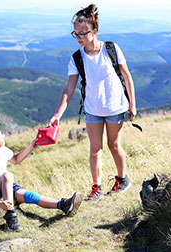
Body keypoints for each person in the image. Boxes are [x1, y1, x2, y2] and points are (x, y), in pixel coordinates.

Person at [49, 4, 137, 201]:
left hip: (115, 107)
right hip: (92, 110)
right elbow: (68, 89)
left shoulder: (111, 49)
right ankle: (96, 188)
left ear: (95, 30)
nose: (79, 37)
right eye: (76, 34)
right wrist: (57, 115)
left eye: (83, 33)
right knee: (94, 149)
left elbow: (127, 76)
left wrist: (133, 104)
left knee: (113, 145)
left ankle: (122, 179)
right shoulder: (76, 58)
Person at [0, 122, 83, 231]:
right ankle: (10, 215)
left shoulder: (2, 150)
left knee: (29, 195)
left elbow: (16, 160)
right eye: (0, 136)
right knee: (7, 176)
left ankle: (63, 205)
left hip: (5, 186)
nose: (3, 135)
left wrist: (31, 146)